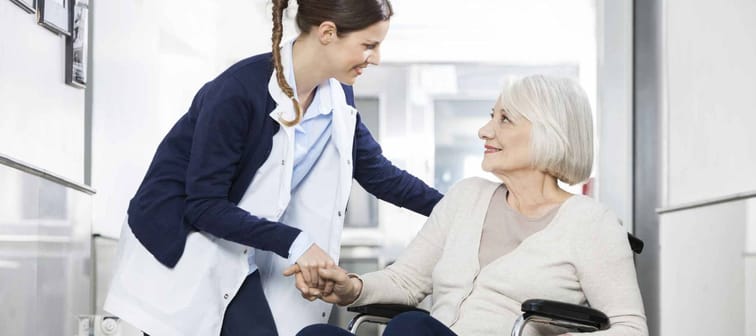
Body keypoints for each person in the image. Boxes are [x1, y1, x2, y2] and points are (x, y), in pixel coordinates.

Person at [103, 1, 443, 335]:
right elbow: (203, 205)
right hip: (179, 247)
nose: (377, 58)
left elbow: (380, 175)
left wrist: (461, 207)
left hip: (237, 251)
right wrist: (297, 243)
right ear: (328, 32)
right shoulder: (239, 91)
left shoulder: (337, 98)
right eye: (369, 45)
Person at [295, 75, 649, 336]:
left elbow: (630, 329)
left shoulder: (591, 222)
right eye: (490, 116)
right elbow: (405, 280)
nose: (484, 130)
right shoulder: (467, 197)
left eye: (504, 119)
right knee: (318, 335)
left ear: (549, 133)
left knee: (412, 329)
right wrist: (351, 287)